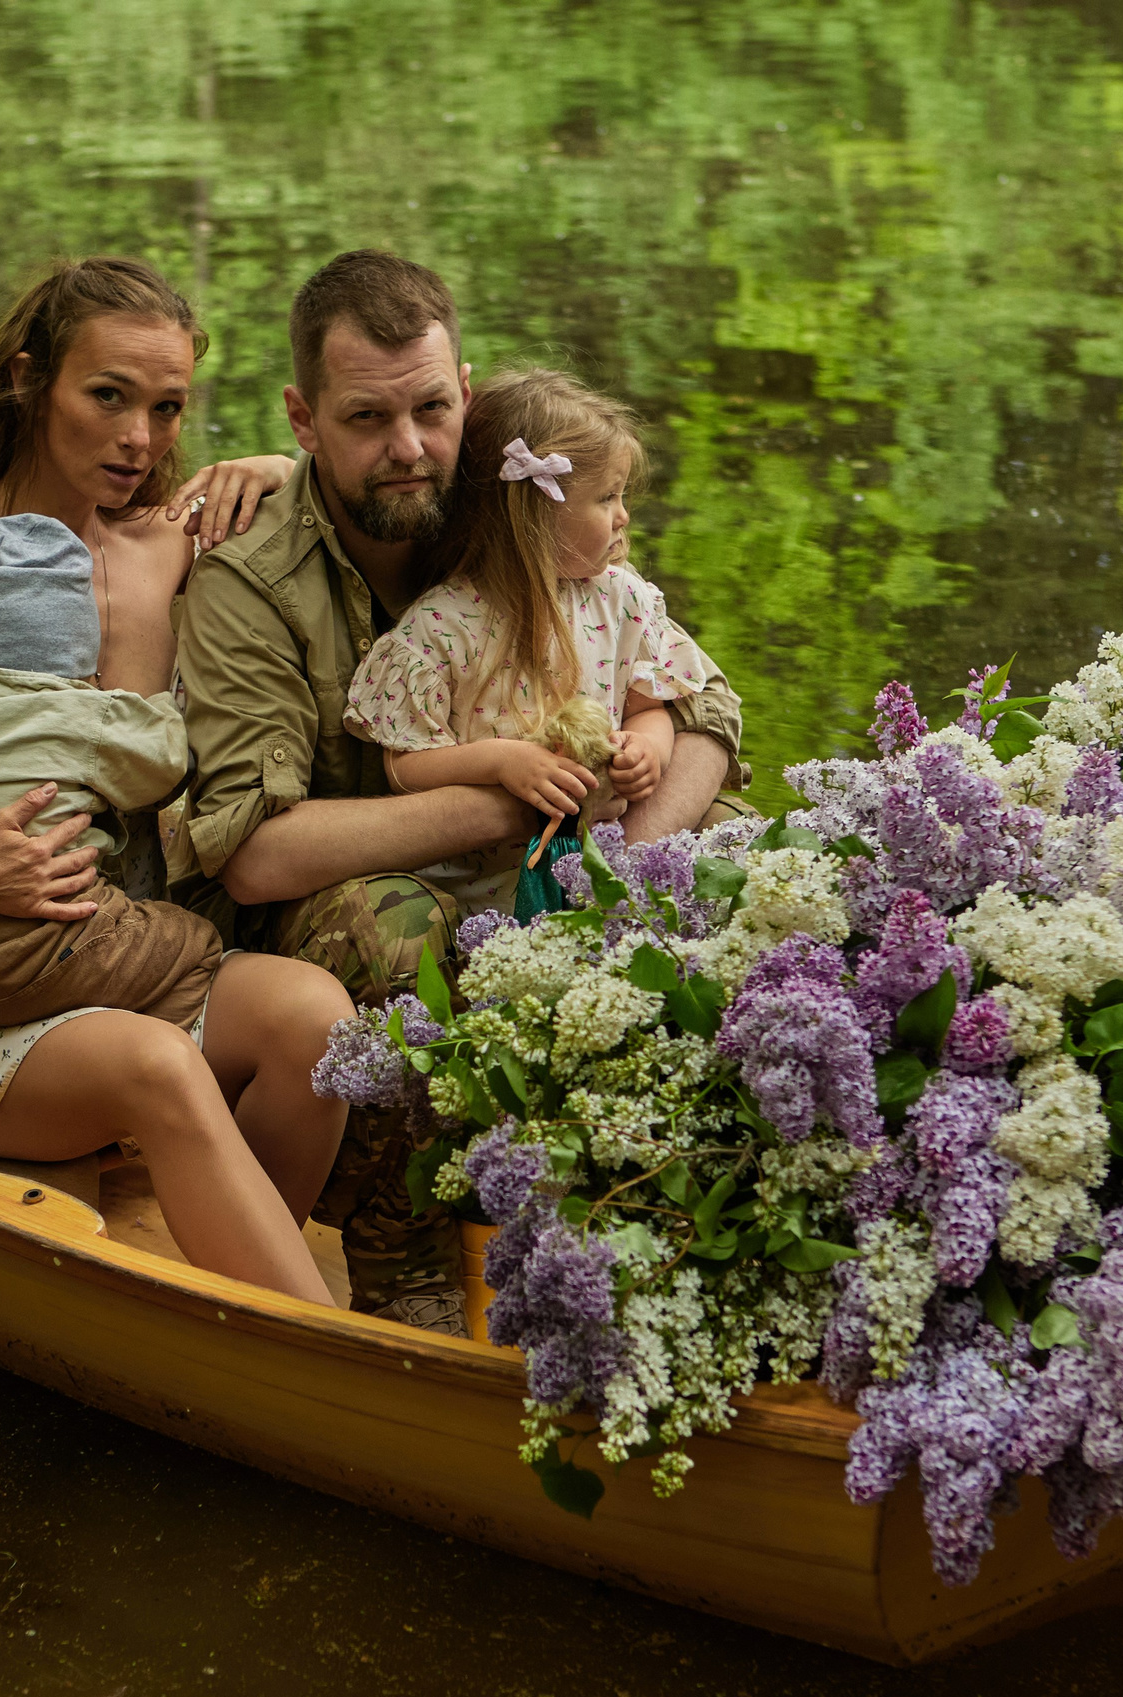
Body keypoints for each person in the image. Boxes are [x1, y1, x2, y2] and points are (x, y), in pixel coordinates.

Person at [169, 250, 748, 1330]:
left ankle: (691, 1199)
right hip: (351, 902)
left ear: (466, 395)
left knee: (742, 843)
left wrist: (622, 871)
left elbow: (704, 705)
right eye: (363, 421)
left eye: (431, 410)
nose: (405, 450)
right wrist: (524, 802)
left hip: (560, 860)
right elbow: (254, 851)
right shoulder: (249, 581)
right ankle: (407, 1252)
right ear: (302, 419)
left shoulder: (517, 502)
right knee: (382, 927)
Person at [0, 256, 349, 1308]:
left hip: (129, 959)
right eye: (106, 397)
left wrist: (280, 470)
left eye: (165, 407)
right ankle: (330, 1360)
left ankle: (239, 1315)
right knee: (153, 1066)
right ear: (27, 380)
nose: (137, 439)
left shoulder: (179, 546)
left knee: (320, 1023)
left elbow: (349, 492)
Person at [343, 369, 723, 919]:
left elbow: (648, 706)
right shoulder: (442, 629)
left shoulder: (622, 600)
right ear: (535, 516)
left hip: (599, 847)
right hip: (480, 883)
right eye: (607, 498)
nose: (624, 516)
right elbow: (404, 766)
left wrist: (649, 751)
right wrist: (502, 762)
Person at [0, 511, 221, 1031]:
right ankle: (136, 1048)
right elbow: (167, 767)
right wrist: (163, 706)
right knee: (198, 943)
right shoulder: (80, 714)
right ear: (77, 651)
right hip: (60, 945)